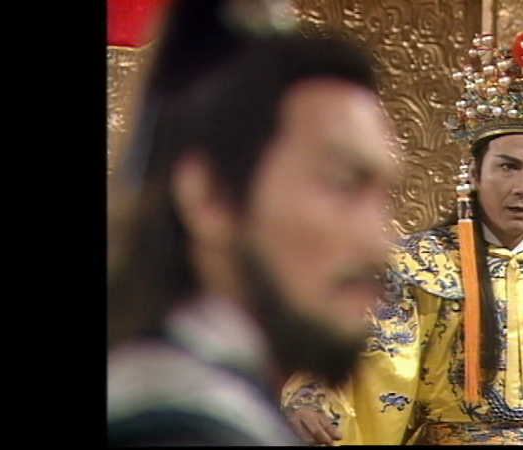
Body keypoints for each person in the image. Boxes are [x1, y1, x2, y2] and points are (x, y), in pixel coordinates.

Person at [281, 30, 523, 445]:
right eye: (508, 167)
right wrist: (314, 400)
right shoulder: (420, 266)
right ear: (474, 174)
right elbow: (367, 352)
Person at [107, 0, 397, 445]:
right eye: (343, 184)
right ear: (211, 196)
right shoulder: (172, 428)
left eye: (383, 198)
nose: (379, 244)